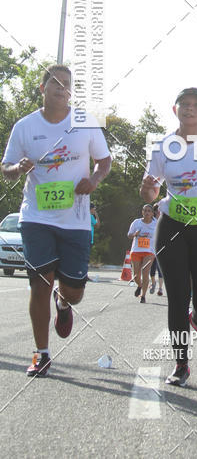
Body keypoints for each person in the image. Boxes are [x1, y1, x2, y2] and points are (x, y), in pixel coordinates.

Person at [1, 64, 111, 376]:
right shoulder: (25, 126)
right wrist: (17, 168)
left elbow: (104, 160)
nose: (61, 89)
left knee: (74, 289)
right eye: (55, 84)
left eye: (66, 85)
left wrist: (95, 180)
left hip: (75, 219)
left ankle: (63, 304)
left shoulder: (84, 123)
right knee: (39, 284)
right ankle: (41, 353)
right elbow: (5, 167)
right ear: (42, 89)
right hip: (36, 216)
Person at [140, 88, 197, 386]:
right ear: (175, 110)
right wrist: (149, 190)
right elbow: (149, 190)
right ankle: (181, 363)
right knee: (177, 296)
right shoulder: (163, 146)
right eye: (184, 105)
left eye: (196, 105)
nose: (189, 109)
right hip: (172, 224)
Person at [127, 205, 157, 303]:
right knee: (136, 275)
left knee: (145, 272)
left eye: (149, 211)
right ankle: (140, 285)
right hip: (136, 250)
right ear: (142, 212)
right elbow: (129, 235)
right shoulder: (136, 222)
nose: (147, 213)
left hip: (149, 251)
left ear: (152, 213)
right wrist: (135, 234)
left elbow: (161, 236)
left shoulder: (156, 224)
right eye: (145, 211)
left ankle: (143, 296)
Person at [149, 204, 164, 296]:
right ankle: (153, 282)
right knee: (152, 269)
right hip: (151, 249)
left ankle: (160, 288)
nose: (159, 212)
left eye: (160, 210)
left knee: (160, 269)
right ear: (154, 212)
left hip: (161, 249)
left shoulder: (165, 222)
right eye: (157, 210)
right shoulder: (152, 221)